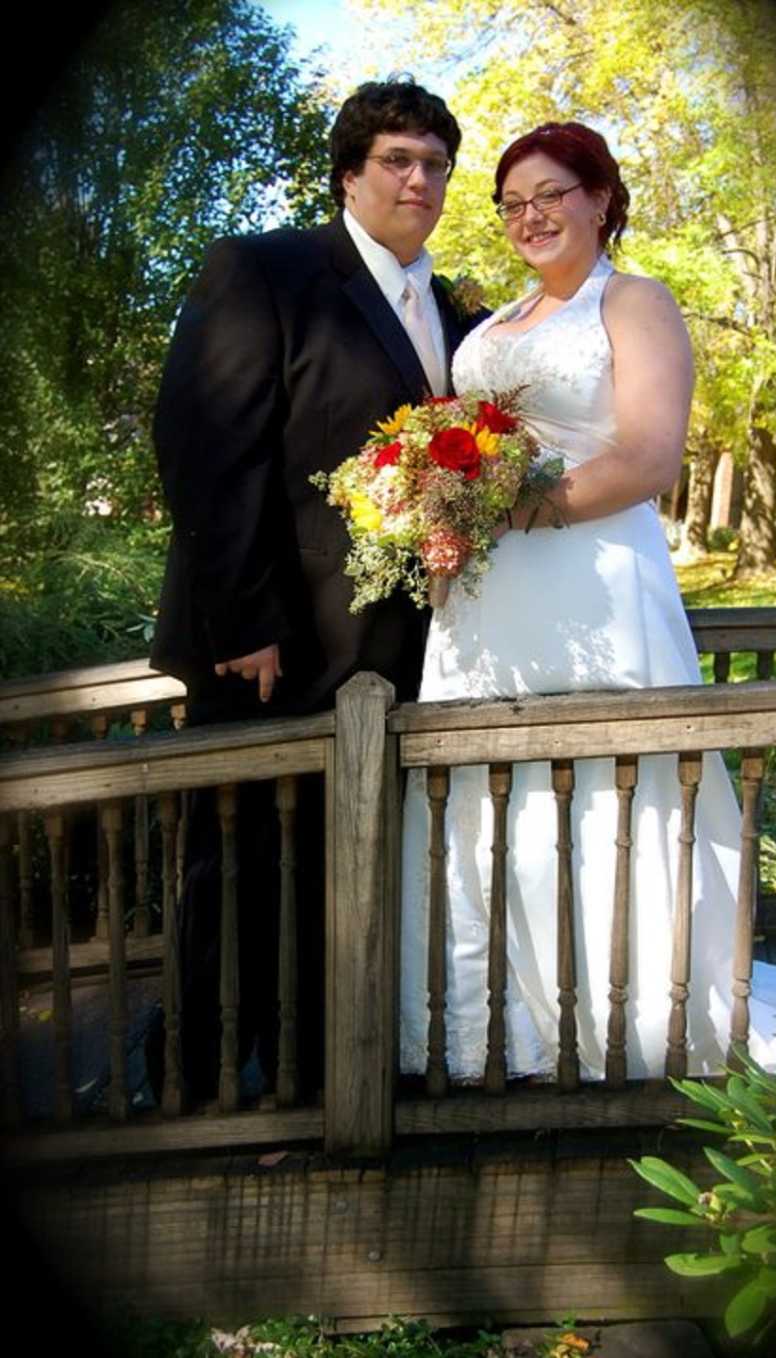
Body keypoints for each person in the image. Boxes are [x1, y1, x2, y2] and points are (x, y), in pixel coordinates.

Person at [400, 122, 776, 1081]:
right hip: (485, 601)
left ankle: (625, 1032)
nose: (530, 216)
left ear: (601, 198)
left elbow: (649, 458)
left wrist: (511, 511)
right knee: (489, 794)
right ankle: (499, 1032)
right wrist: (435, 508)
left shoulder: (637, 302)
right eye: (512, 202)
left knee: (604, 786)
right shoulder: (492, 324)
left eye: (551, 194)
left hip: (596, 580)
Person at [147, 77, 486, 1104]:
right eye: (398, 160)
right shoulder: (267, 269)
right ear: (350, 173)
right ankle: (194, 1086)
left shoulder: (453, 311)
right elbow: (208, 447)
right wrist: (245, 621)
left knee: (348, 878)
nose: (419, 179)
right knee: (238, 867)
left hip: (395, 651)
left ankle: (319, 1079)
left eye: (434, 162)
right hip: (271, 643)